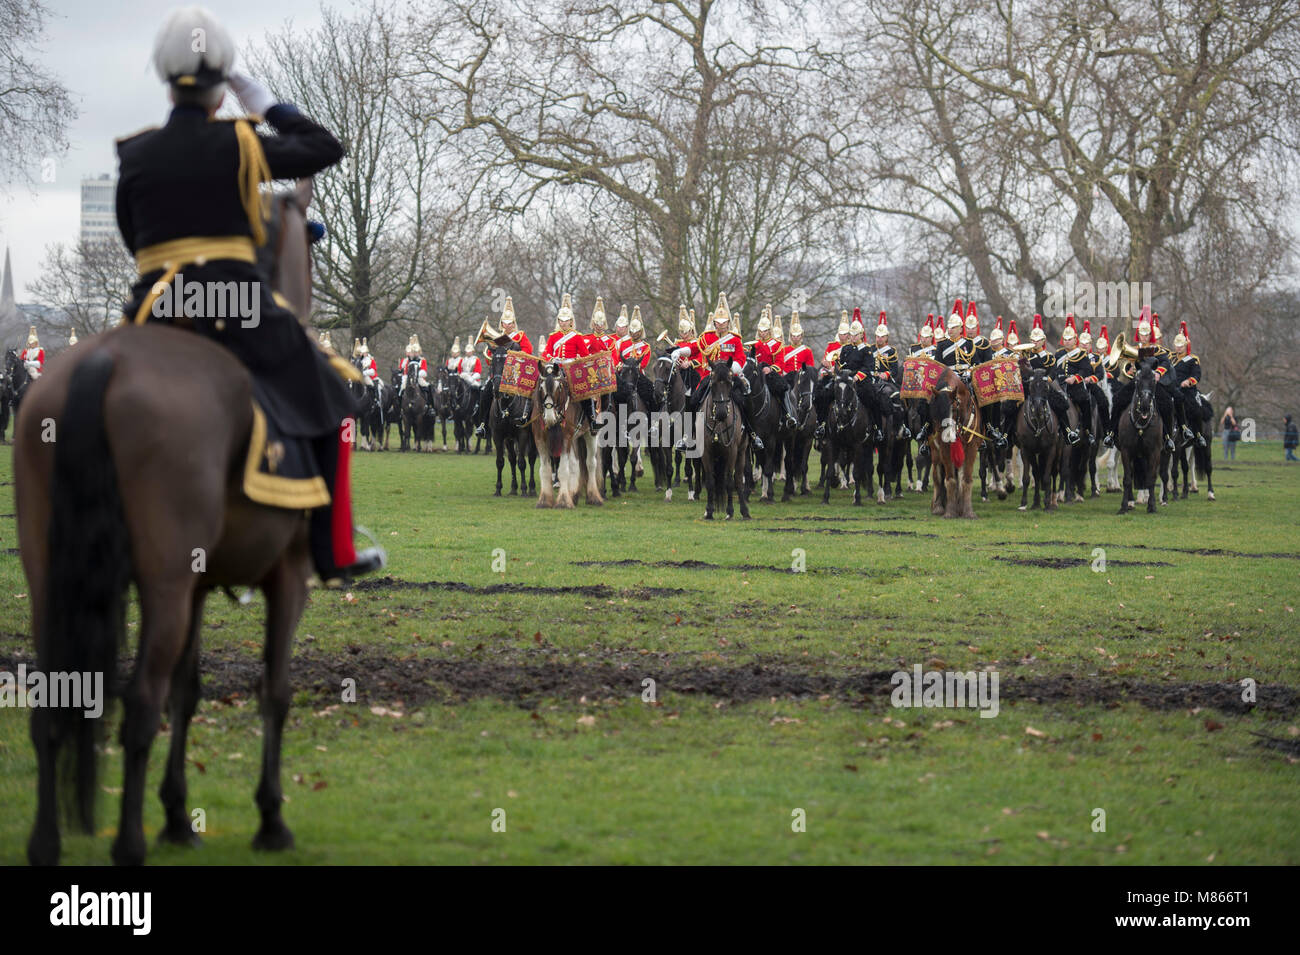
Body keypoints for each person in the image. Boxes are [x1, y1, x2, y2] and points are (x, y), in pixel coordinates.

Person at [116, 6, 381, 583]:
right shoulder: (240, 143)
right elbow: (323, 147)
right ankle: (330, 549)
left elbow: (132, 236)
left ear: (166, 83)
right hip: (236, 306)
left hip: (153, 309)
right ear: (220, 90)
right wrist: (262, 103)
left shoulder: (134, 153)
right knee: (336, 391)